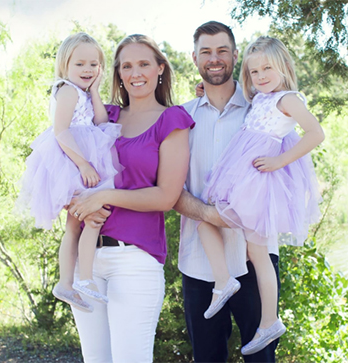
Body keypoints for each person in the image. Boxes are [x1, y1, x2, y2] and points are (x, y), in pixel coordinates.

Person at [68, 34, 195, 363]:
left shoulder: (172, 120)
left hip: (134, 261)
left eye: (143, 64)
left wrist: (105, 196)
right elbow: (63, 165)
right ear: (118, 74)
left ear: (160, 70)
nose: (135, 72)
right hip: (86, 259)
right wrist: (75, 202)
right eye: (127, 66)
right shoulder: (102, 115)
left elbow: (166, 196)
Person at [195, 35, 324, 355]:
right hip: (242, 177)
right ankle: (264, 316)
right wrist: (201, 91)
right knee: (255, 252)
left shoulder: (288, 99)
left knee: (212, 227)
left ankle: (235, 292)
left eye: (267, 68)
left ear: (283, 67)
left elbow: (316, 133)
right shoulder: (261, 99)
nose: (261, 76)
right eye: (254, 72)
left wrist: (280, 160)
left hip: (256, 182)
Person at [174, 21, 278, 363]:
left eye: (222, 50)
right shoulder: (180, 118)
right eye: (206, 51)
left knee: (262, 358)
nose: (214, 58)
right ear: (194, 58)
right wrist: (207, 213)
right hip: (199, 264)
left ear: (235, 55)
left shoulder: (262, 110)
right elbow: (169, 188)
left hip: (254, 258)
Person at [17, 32, 122, 312]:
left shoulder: (84, 93)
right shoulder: (66, 90)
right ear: (65, 65)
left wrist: (97, 91)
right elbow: (60, 131)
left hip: (83, 155)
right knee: (90, 219)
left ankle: (67, 283)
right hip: (70, 160)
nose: (87, 70)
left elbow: (101, 122)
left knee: (77, 224)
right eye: (80, 64)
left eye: (94, 64)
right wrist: (83, 164)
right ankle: (84, 279)